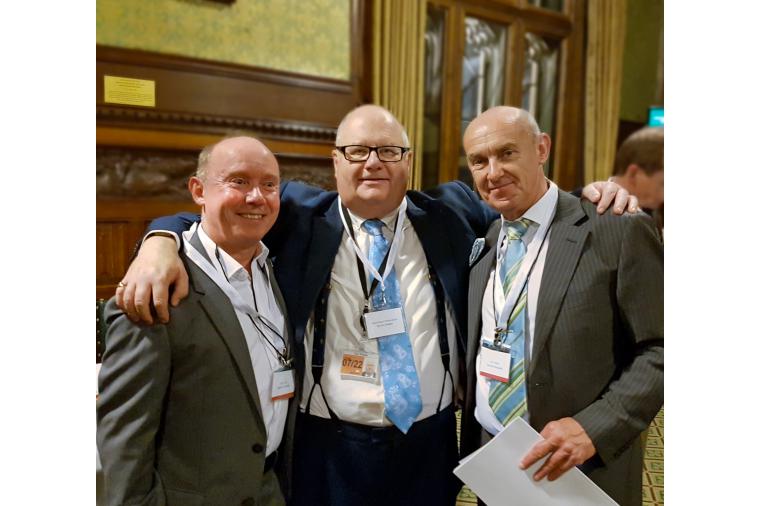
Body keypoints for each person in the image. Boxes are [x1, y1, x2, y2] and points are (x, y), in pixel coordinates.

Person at [116, 105, 636, 506]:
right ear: (334, 161)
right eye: (357, 151)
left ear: (409, 161)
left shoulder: (453, 213)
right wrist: (159, 240)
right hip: (328, 446)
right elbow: (213, 213)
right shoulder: (296, 213)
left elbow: (531, 207)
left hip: (429, 443)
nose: (373, 163)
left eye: (389, 151)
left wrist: (596, 194)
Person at [459, 106, 663, 506]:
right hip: (497, 464)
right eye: (479, 161)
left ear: (541, 148)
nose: (493, 172)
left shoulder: (615, 228)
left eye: (507, 153)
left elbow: (661, 348)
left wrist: (594, 428)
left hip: (582, 471)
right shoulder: (487, 239)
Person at [97, 136, 297, 506]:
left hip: (269, 490)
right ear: (198, 190)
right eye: (238, 181)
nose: (256, 197)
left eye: (269, 184)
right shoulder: (156, 289)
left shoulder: (272, 266)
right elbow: (124, 436)